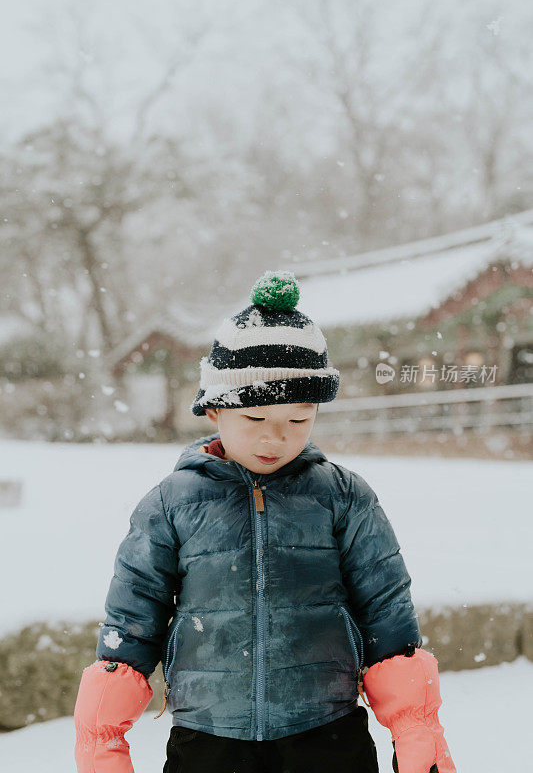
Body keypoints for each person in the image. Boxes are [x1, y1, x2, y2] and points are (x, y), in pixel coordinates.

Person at [74, 270, 456, 773]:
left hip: (325, 730)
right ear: (214, 410)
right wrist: (102, 740)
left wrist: (416, 727)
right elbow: (131, 624)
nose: (275, 439)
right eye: (255, 420)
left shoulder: (343, 496)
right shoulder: (171, 503)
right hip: (210, 737)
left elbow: (387, 614)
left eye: (298, 421)